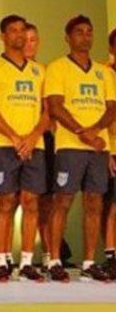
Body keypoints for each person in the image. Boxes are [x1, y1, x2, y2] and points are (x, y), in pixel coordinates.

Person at [46, 15, 115, 282]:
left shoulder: (104, 72)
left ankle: (88, 262)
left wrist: (95, 131)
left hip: (98, 147)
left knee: (94, 202)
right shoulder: (58, 68)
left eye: (89, 32)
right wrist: (82, 132)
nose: (85, 37)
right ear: (68, 37)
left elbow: (112, 107)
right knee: (62, 201)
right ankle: (54, 259)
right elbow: (55, 106)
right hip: (70, 146)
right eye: (79, 32)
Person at [0, 14, 49, 282]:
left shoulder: (39, 70)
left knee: (31, 202)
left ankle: (27, 262)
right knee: (6, 202)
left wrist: (32, 137)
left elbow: (47, 111)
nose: (19, 35)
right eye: (13, 30)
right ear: (3, 36)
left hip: (34, 146)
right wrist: (14, 137)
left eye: (22, 30)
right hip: (4, 146)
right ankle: (0, 260)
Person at [24, 21, 53, 272]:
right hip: (13, 141)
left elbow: (50, 110)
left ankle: (48, 254)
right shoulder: (2, 69)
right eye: (25, 38)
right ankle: (9, 258)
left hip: (44, 140)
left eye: (33, 39)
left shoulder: (45, 72)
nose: (28, 44)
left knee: (45, 201)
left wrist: (35, 135)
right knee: (12, 200)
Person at [102, 27, 116, 278]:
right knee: (112, 205)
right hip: (112, 146)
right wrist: (108, 152)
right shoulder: (104, 74)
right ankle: (111, 255)